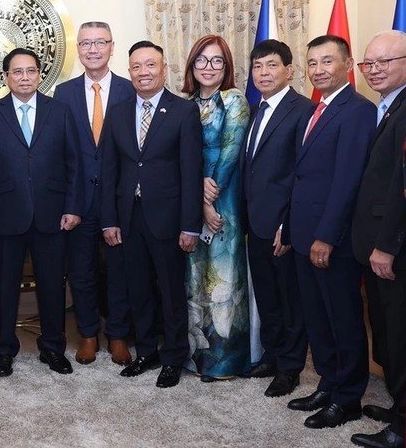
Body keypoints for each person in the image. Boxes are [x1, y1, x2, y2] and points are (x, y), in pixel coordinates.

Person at [0, 48, 83, 377]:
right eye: (17, 72)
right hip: (6, 215)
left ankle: (52, 348)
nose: (24, 77)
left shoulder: (60, 111)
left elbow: (73, 164)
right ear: (6, 77)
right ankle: (3, 350)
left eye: (30, 71)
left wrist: (73, 207)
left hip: (52, 213)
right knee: (5, 286)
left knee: (52, 285)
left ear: (39, 75)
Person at [100, 40, 202, 388]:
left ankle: (173, 356)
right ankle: (146, 351)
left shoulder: (183, 111)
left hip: (169, 219)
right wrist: (109, 218)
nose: (143, 72)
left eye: (150, 65)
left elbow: (192, 172)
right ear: (130, 72)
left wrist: (191, 224)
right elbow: (109, 170)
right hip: (129, 217)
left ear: (164, 69)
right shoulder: (117, 111)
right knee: (137, 289)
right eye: (137, 67)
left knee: (171, 291)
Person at [285, 35, 375, 429]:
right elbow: (303, 176)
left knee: (343, 317)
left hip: (330, 239)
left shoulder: (357, 111)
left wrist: (326, 235)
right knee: (317, 316)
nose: (319, 70)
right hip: (304, 234)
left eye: (327, 62)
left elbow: (347, 180)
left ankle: (348, 397)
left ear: (348, 64)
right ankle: (328, 381)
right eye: (313, 63)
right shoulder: (316, 109)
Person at [54, 21, 135, 366]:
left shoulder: (131, 90)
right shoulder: (64, 93)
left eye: (99, 42)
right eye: (85, 43)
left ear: (111, 47)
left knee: (120, 272)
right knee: (82, 272)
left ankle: (117, 335)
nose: (92, 49)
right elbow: (60, 151)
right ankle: (88, 334)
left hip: (121, 201)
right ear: (79, 50)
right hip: (78, 201)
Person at [240, 39, 313, 398]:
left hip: (283, 226)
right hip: (255, 223)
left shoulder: (303, 111)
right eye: (257, 66)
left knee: (289, 300)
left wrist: (288, 223)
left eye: (271, 65)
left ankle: (290, 368)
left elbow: (302, 173)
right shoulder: (256, 109)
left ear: (289, 70)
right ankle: (271, 354)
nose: (263, 73)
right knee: (266, 295)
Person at [180, 35, 250, 381]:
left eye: (217, 61)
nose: (209, 68)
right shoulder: (186, 104)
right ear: (192, 65)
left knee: (223, 279)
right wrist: (196, 192)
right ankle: (198, 358)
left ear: (227, 67)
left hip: (224, 197)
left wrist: (208, 198)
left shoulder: (234, 100)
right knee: (194, 276)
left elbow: (231, 149)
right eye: (202, 61)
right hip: (194, 191)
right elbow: (181, 156)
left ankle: (226, 362)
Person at [350, 30, 406, 448]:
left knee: (401, 338)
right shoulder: (389, 108)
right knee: (386, 333)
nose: (374, 70)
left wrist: (387, 245)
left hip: (395, 249)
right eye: (369, 63)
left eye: (385, 61)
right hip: (376, 248)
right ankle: (399, 408)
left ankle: (402, 431)